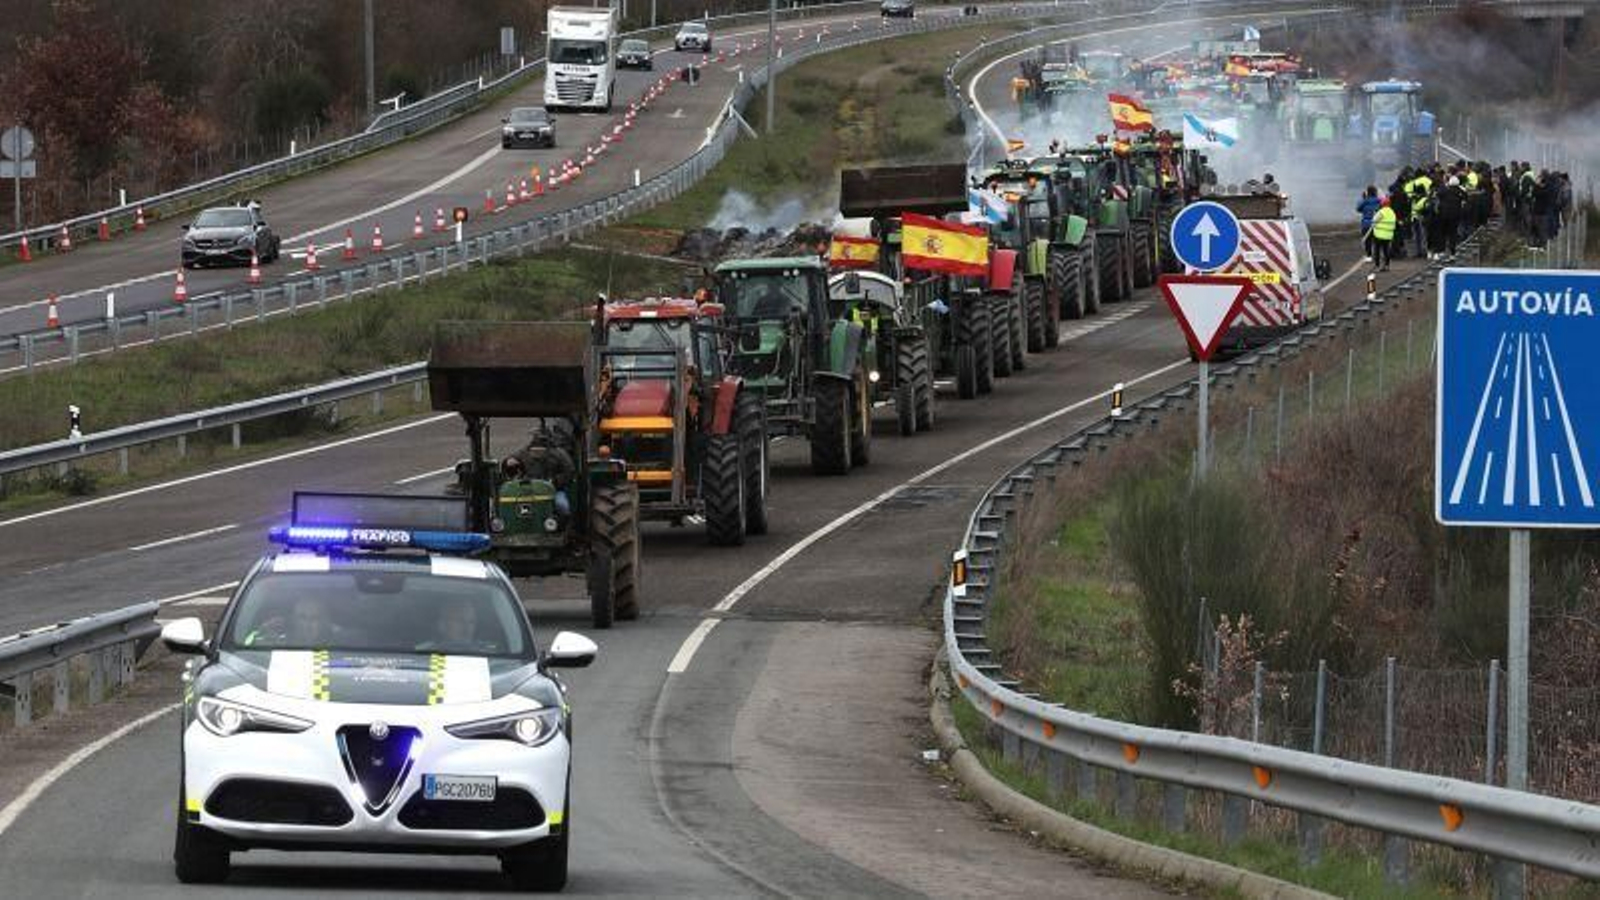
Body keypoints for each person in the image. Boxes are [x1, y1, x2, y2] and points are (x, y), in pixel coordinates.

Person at [1371, 196, 1397, 272]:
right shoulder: (1392, 212)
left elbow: (1374, 221)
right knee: (1386, 250)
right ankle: (1387, 265)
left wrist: (1375, 213)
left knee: (1377, 250)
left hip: (1379, 234)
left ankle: (1377, 266)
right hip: (1388, 235)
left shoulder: (1381, 212)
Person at [1356, 185, 1381, 262]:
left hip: (1366, 223)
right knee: (1377, 240)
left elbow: (1358, 209)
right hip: (1377, 223)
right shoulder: (1379, 200)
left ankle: (1369, 256)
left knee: (1368, 241)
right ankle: (1377, 256)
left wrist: (1363, 198)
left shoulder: (1365, 201)